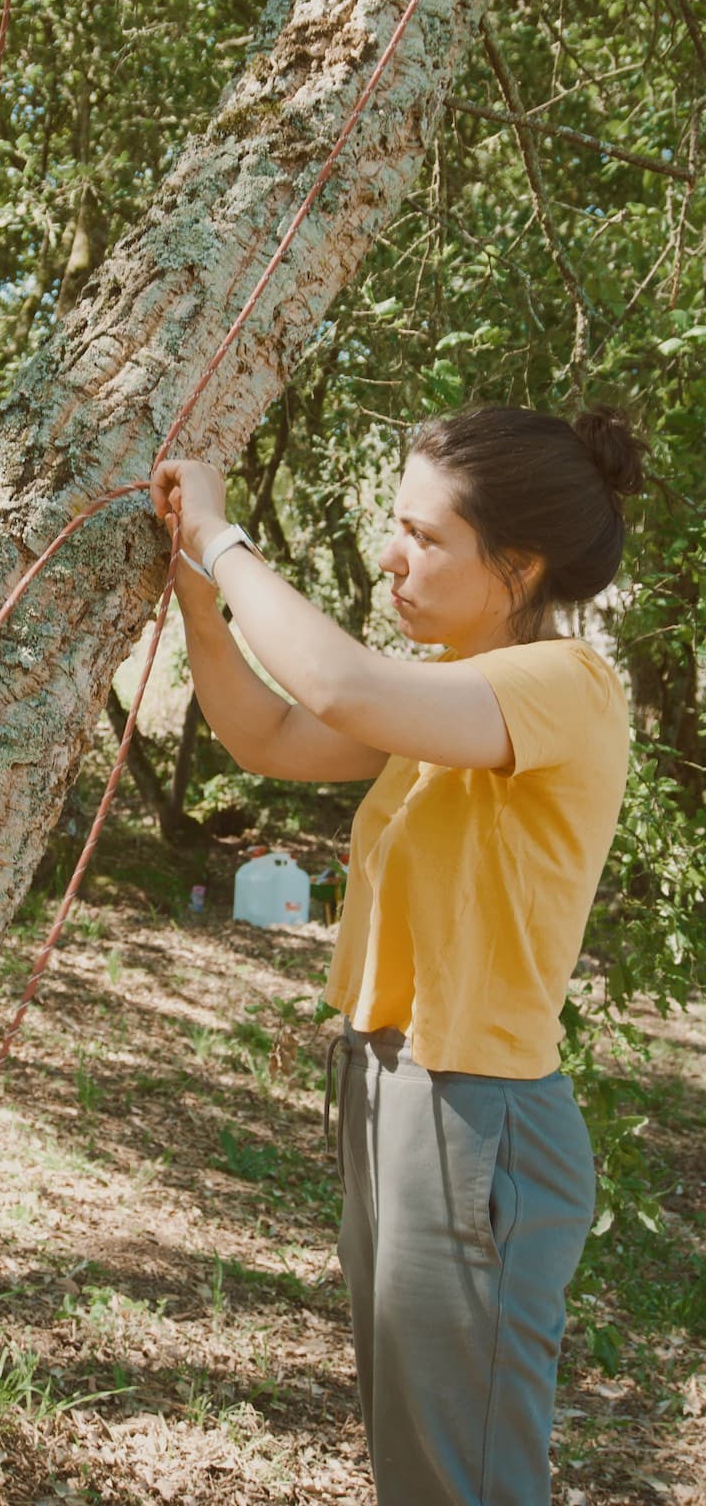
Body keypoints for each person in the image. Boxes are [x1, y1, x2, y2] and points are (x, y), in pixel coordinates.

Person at [151, 404, 645, 1506]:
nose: (393, 556)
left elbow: (337, 688)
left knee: (462, 1479)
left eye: (425, 536)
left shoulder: (564, 685)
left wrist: (225, 538)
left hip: (479, 1116)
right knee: (420, 1467)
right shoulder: (451, 688)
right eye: (396, 524)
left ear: (517, 565)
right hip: (393, 1083)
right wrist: (194, 584)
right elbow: (269, 735)